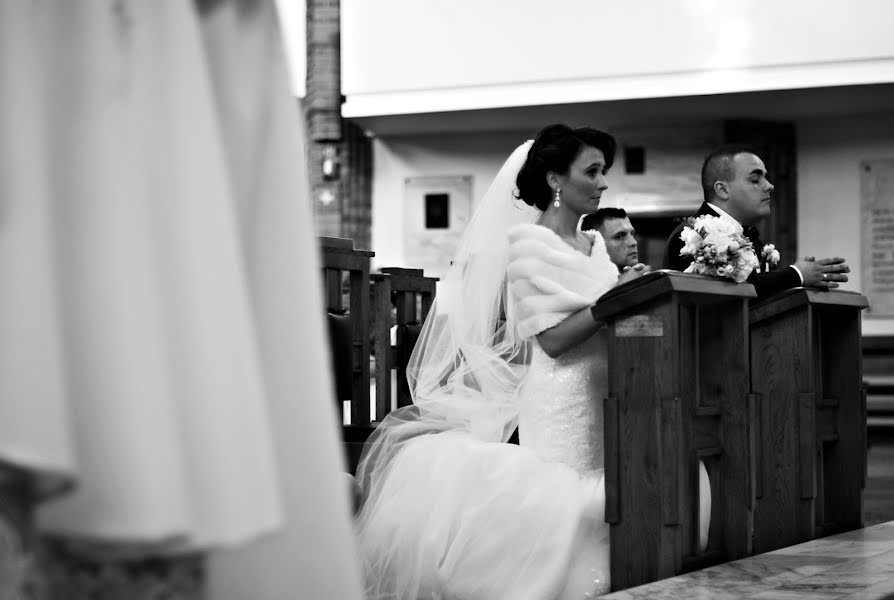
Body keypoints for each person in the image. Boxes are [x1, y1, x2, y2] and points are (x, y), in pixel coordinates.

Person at [355, 124, 710, 599]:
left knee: (611, 504)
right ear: (556, 181)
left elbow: (614, 317)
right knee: (566, 510)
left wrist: (655, 317)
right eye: (593, 171)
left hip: (611, 390)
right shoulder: (528, 244)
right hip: (562, 398)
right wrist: (615, 298)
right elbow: (555, 340)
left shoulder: (595, 244)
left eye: (605, 170)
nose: (604, 182)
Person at [663, 145, 849, 298]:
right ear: (722, 190)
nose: (769, 186)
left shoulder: (748, 237)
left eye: (766, 177)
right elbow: (731, 294)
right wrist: (797, 275)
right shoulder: (694, 236)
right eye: (755, 179)